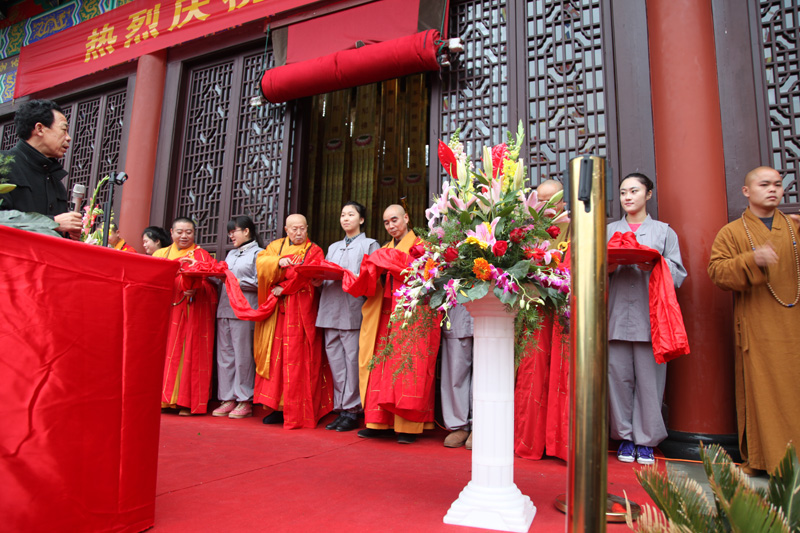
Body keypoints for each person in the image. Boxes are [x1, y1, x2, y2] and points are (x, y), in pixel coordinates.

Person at [708, 166, 800, 475]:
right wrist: (751, 260)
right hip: (758, 329)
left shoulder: (794, 227)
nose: (773, 189)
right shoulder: (732, 232)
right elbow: (717, 273)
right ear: (746, 191)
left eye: (778, 184)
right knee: (766, 393)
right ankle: (769, 460)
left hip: (795, 324)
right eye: (764, 184)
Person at [607, 173, 686, 465]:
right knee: (617, 379)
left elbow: (678, 274)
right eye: (623, 192)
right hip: (615, 317)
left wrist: (654, 265)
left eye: (634, 191)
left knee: (650, 383)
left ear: (648, 194)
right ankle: (625, 438)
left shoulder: (664, 232)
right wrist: (609, 266)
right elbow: (588, 272)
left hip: (652, 318)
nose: (628, 197)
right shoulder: (608, 231)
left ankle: (646, 440)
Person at [355, 204, 441, 444]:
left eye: (394, 220)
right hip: (386, 312)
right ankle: (378, 422)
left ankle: (408, 426)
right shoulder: (384, 249)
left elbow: (431, 278)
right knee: (381, 365)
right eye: (386, 222)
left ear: (406, 218)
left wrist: (395, 264)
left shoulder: (423, 246)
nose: (391, 226)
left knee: (408, 366)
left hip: (412, 313)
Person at [253, 214, 333, 429]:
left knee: (300, 358)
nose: (298, 233)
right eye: (294, 229)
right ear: (286, 230)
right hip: (278, 312)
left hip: (302, 310)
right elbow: (261, 263)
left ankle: (298, 409)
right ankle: (278, 407)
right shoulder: (276, 247)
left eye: (302, 229)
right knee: (277, 357)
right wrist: (277, 262)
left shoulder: (314, 250)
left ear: (307, 228)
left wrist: (284, 287)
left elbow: (306, 276)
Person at [514, 178, 571, 460]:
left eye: (552, 201)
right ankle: (531, 438)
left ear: (564, 202)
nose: (547, 207)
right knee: (532, 370)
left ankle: (560, 441)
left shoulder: (576, 230)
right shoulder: (529, 231)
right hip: (534, 309)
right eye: (542, 201)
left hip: (564, 312)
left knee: (563, 372)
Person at [316, 202, 379, 432]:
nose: (345, 218)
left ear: (361, 219)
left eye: (351, 214)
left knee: (352, 361)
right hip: (329, 308)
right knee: (335, 360)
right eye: (343, 214)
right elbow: (325, 274)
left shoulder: (370, 244)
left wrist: (351, 276)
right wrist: (317, 279)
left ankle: (353, 409)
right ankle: (342, 407)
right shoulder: (333, 247)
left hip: (352, 309)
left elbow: (372, 277)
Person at [154, 217, 218, 416]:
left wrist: (198, 287)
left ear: (194, 234)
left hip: (192, 312)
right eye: (180, 232)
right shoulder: (160, 254)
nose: (184, 236)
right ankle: (162, 399)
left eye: (188, 232)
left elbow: (214, 283)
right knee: (162, 354)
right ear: (171, 232)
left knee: (189, 353)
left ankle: (186, 401)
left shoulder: (202, 255)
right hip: (167, 311)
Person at [0, 99, 81, 237]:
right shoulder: (3, 164)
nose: (68, 138)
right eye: (64, 130)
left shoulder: (56, 183)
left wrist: (68, 234)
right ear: (39, 129)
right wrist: (52, 223)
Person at [211, 216, 263, 420]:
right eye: (230, 232)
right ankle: (227, 398)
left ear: (247, 231)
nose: (231, 236)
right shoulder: (231, 254)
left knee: (243, 356)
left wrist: (237, 281)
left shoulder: (259, 254)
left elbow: (261, 282)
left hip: (244, 311)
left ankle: (244, 399)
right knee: (225, 356)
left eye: (234, 231)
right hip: (225, 309)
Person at [441, 305, 473, 448]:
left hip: (491, 308)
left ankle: (482, 424)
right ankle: (459, 425)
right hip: (458, 306)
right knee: (455, 369)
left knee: (486, 369)